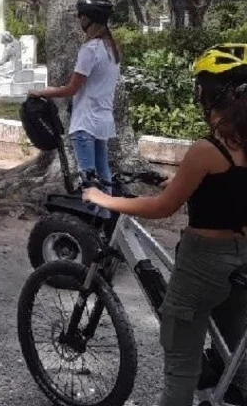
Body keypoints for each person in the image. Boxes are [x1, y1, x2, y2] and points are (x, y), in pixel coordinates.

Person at [83, 44, 247, 406]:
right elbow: (231, 191)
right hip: (240, 259)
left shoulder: (207, 149)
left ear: (209, 93)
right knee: (235, 357)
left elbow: (162, 208)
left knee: (180, 370)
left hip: (203, 264)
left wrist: (103, 198)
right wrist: (182, 185)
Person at [28, 0, 120, 188]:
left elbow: (72, 88)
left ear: (87, 18)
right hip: (102, 120)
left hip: (85, 122)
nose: (79, 20)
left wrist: (41, 92)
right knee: (103, 174)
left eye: (80, 16)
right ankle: (106, 215)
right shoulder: (111, 48)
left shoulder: (91, 49)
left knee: (88, 179)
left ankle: (93, 216)